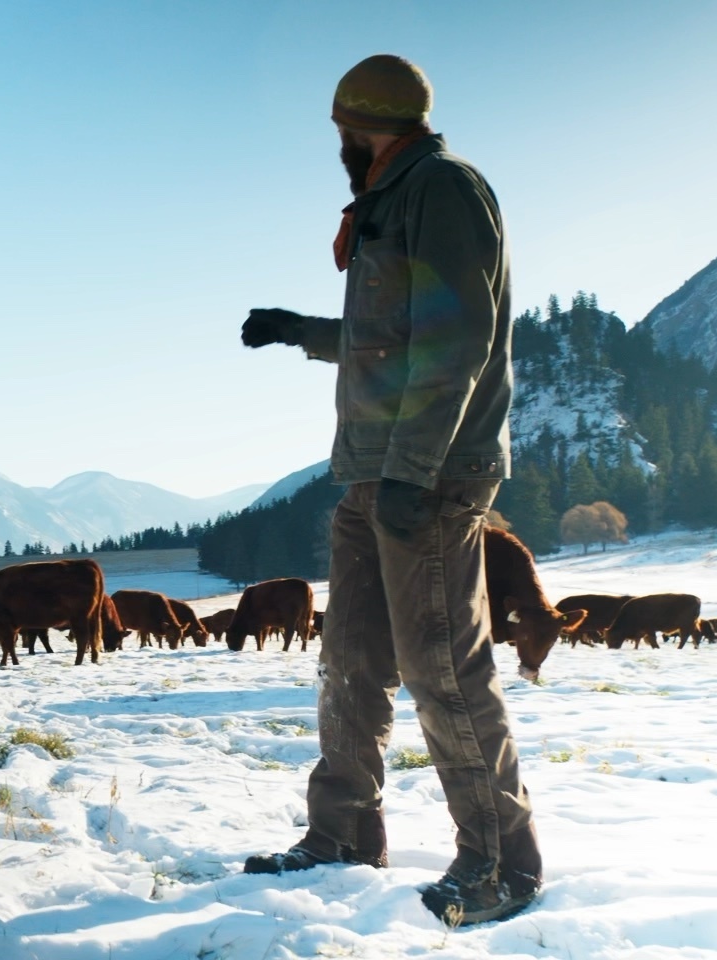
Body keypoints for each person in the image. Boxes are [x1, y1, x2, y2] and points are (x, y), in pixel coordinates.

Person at [237, 54, 539, 927]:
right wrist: (301, 332)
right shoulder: (389, 199)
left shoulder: (441, 188)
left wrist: (413, 471)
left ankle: (500, 864)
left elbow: (457, 338)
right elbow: (393, 335)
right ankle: (340, 835)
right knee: (352, 660)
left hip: (429, 475)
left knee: (444, 667)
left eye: (339, 128)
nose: (336, 144)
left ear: (357, 124)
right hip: (372, 470)